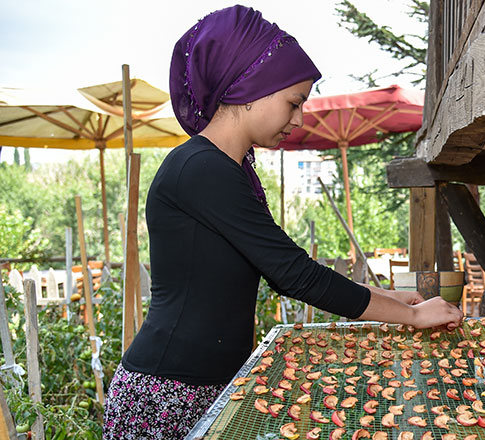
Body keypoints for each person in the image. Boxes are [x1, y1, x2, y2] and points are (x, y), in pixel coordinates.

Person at [102, 6, 463, 438]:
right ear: (248, 88)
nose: (299, 119)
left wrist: (394, 299)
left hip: (202, 384)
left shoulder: (222, 169)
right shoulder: (202, 170)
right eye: (293, 102)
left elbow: (284, 267)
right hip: (170, 393)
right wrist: (410, 316)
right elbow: (294, 274)